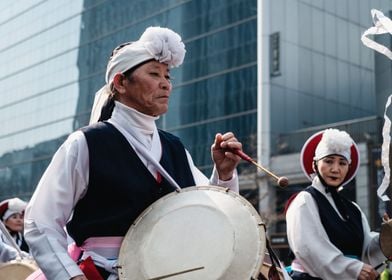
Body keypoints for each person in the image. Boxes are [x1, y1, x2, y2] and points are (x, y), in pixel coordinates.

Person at [24, 26, 243, 280]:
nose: (166, 85)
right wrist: (71, 276)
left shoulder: (175, 148)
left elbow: (210, 215)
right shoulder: (86, 143)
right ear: (120, 82)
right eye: (154, 74)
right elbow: (41, 222)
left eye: (168, 76)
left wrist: (224, 174)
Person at [286, 128, 386, 280]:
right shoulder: (304, 200)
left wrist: (385, 240)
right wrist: (353, 268)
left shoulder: (354, 208)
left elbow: (366, 250)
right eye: (328, 161)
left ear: (348, 168)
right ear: (315, 165)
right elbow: (309, 249)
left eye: (342, 163)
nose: (335, 169)